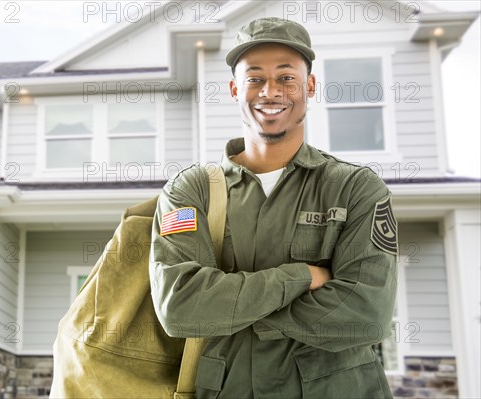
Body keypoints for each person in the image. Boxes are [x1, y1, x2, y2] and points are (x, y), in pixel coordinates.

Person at [149, 17, 397, 399]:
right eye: (254, 78)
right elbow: (181, 307)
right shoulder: (190, 191)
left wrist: (230, 310)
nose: (270, 91)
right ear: (235, 89)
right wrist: (300, 277)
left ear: (309, 85)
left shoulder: (355, 188)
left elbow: (365, 315)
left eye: (286, 77)